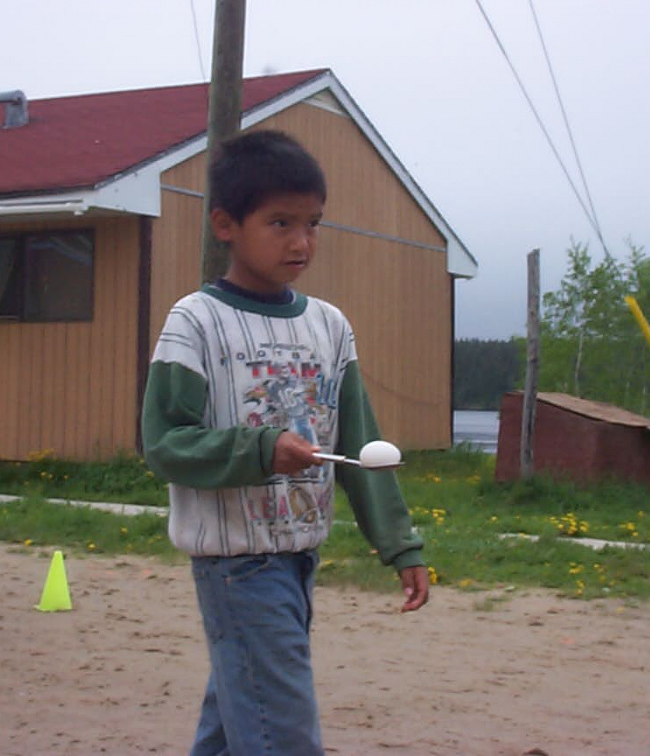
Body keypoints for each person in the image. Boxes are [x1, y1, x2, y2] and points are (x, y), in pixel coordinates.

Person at [141, 129, 430, 756]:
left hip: (299, 555)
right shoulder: (196, 322)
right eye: (279, 222)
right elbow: (165, 444)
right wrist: (258, 450)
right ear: (226, 223)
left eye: (313, 223)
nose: (301, 242)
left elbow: (361, 444)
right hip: (237, 563)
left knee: (240, 715)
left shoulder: (329, 326)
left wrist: (399, 542)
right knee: (281, 732)